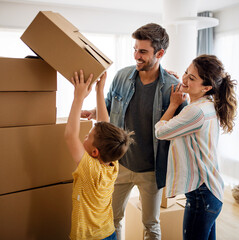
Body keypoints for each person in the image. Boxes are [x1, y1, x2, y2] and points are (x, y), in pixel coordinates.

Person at [81, 23, 186, 240]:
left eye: (143, 52)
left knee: (151, 225)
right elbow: (110, 104)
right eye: (135, 49)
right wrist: (93, 111)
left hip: (150, 170)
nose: (136, 55)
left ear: (160, 53)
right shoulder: (122, 76)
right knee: (112, 219)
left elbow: (182, 129)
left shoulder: (172, 88)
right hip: (119, 164)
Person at [155, 54, 237, 240]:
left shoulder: (195, 111)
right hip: (210, 192)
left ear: (207, 87)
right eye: (186, 72)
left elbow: (160, 132)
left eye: (192, 78)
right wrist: (182, 81)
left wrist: (173, 104)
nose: (184, 79)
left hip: (202, 196)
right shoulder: (208, 105)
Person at [65, 70, 134, 240]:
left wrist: (78, 98)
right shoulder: (112, 164)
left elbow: (70, 135)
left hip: (87, 237)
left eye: (88, 136)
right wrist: (99, 91)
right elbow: (104, 124)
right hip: (108, 232)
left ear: (95, 152)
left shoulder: (90, 169)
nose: (84, 136)